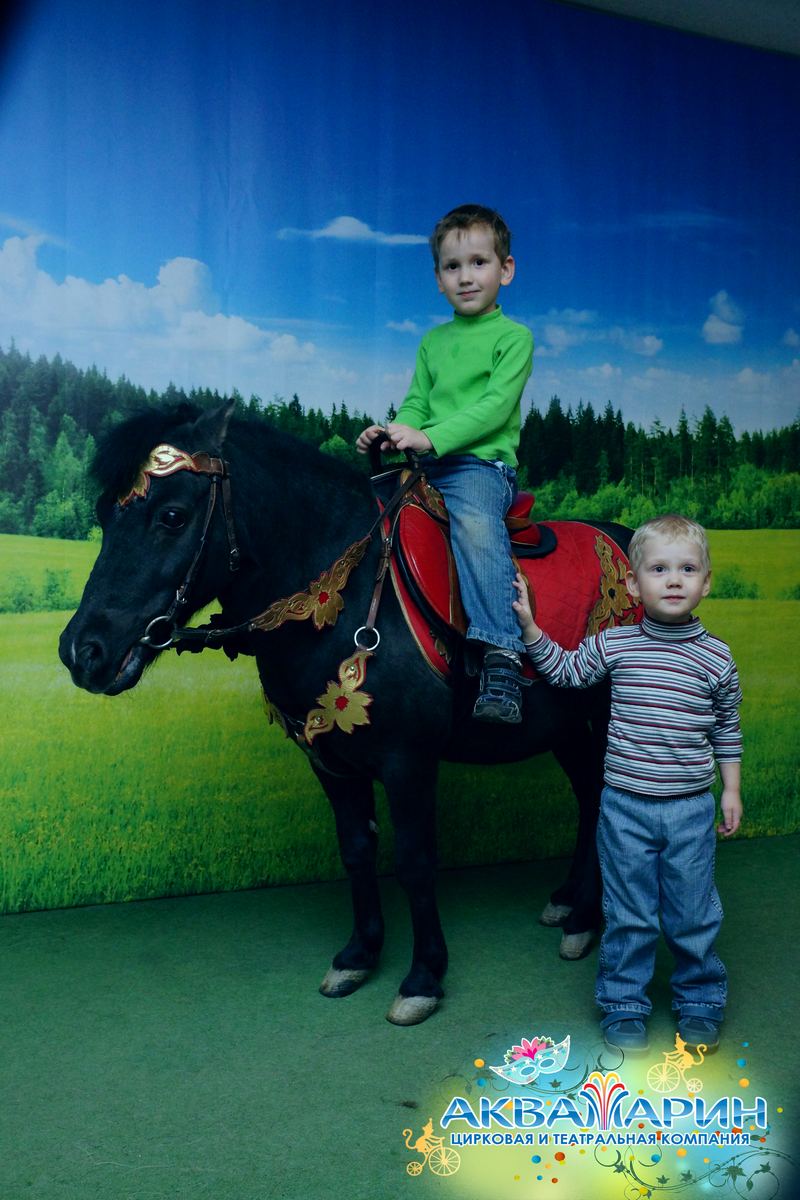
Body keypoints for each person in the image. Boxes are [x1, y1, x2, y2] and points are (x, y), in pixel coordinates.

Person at [512, 514, 743, 1052]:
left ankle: (700, 1000)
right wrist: (529, 628)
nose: (674, 580)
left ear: (706, 583)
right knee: (629, 915)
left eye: (687, 569)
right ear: (633, 586)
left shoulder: (717, 658)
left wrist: (730, 789)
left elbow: (727, 727)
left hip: (689, 808)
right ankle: (623, 1004)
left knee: (692, 914)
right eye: (659, 570)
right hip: (623, 809)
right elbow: (566, 671)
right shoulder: (616, 645)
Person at [356, 204, 533, 722]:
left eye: (479, 263)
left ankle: (501, 653)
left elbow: (494, 409)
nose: (466, 276)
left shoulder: (513, 338)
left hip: (480, 468)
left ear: (505, 270)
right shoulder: (433, 342)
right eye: (453, 267)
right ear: (438, 279)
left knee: (475, 526)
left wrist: (429, 438)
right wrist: (394, 430)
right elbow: (417, 402)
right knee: (364, 518)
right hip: (427, 465)